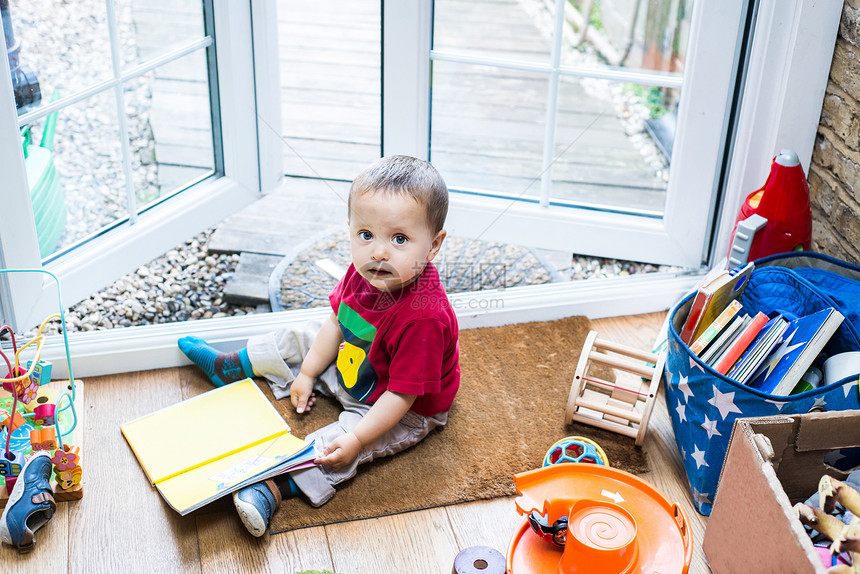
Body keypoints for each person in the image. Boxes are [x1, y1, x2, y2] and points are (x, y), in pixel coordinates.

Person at [178, 155, 460, 537]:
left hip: (400, 406)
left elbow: (401, 397)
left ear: (433, 246)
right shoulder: (364, 271)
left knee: (341, 443)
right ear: (350, 229)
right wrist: (308, 372)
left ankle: (276, 486)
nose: (378, 252)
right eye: (366, 234)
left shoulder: (424, 318)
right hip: (360, 365)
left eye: (399, 239)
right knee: (307, 332)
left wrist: (358, 437)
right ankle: (234, 365)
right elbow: (335, 323)